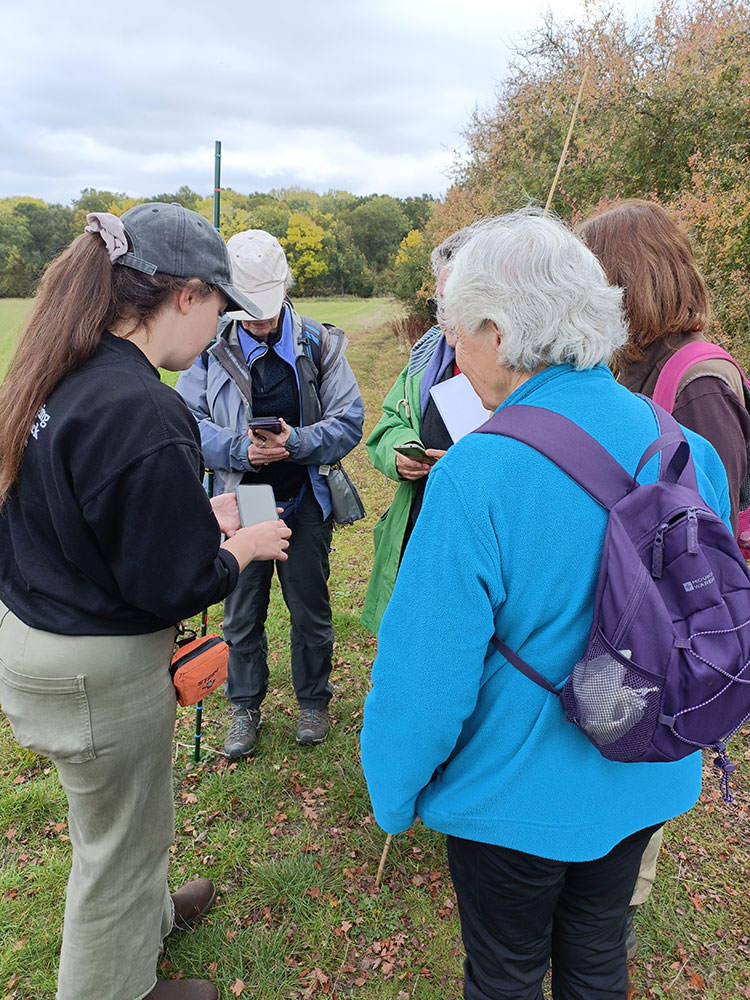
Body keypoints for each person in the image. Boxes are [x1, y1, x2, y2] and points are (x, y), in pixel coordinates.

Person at [360, 209, 730, 1000]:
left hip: (513, 797)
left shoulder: (477, 472)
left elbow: (425, 676)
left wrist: (393, 792)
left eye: (457, 334)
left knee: (504, 973)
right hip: (646, 769)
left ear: (497, 334)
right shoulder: (685, 448)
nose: (454, 355)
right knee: (598, 958)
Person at [0, 203, 291, 1000]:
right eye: (220, 308)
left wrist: (191, 517)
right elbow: (176, 585)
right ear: (186, 294)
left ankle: (149, 921)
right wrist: (242, 544)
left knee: (119, 820)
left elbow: (89, 516)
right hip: (95, 668)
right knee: (118, 849)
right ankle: (118, 987)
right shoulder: (144, 407)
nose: (219, 330)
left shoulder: (62, 369)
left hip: (39, 632)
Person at [578, 197, 750, 957]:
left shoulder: (698, 379)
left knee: (646, 744)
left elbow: (708, 522)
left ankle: (618, 904)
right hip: (636, 603)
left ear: (627, 282)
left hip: (670, 616)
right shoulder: (640, 368)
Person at [177, 230, 364, 757]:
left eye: (265, 305)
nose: (256, 319)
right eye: (245, 307)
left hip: (306, 498)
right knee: (241, 613)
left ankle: (313, 701)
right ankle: (243, 708)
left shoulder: (321, 344)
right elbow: (187, 423)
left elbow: (349, 419)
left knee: (310, 610)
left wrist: (296, 443)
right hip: (241, 504)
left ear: (285, 288)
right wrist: (241, 450)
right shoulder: (209, 350)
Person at [361, 228, 470, 635]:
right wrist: (399, 453)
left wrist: (464, 464)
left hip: (472, 539)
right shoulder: (426, 357)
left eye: (455, 303)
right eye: (439, 302)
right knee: (408, 633)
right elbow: (387, 425)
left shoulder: (519, 367)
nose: (443, 317)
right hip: (418, 520)